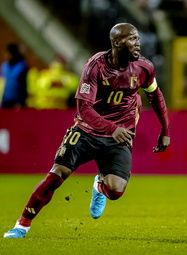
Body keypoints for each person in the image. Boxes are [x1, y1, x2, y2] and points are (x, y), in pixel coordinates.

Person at [3, 23, 170, 238]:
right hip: (87, 130)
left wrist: (165, 130)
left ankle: (100, 184)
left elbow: (155, 96)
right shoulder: (96, 66)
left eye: (138, 38)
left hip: (120, 133)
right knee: (57, 174)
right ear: (117, 43)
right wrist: (111, 127)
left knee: (117, 191)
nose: (138, 43)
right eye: (132, 39)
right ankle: (22, 224)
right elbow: (84, 108)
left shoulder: (144, 68)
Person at [0, 43, 28, 108]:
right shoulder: (4, 66)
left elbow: (23, 85)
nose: (4, 55)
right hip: (5, 100)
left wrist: (22, 102)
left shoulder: (21, 67)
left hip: (16, 102)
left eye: (6, 53)